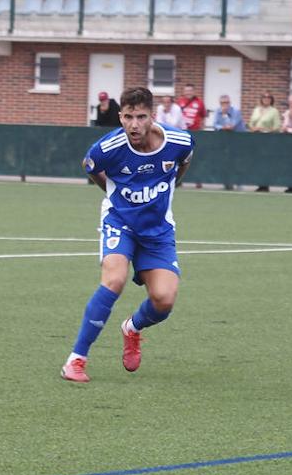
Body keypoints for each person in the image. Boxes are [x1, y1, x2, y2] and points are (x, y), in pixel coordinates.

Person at [61, 86, 195, 383]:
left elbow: (183, 162)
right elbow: (91, 168)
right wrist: (113, 193)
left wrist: (168, 188)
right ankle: (76, 360)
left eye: (141, 117)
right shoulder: (106, 149)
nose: (134, 125)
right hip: (119, 222)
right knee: (114, 280)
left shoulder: (179, 141)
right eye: (128, 117)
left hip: (158, 229)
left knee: (164, 300)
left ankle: (132, 328)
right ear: (120, 116)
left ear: (153, 115)